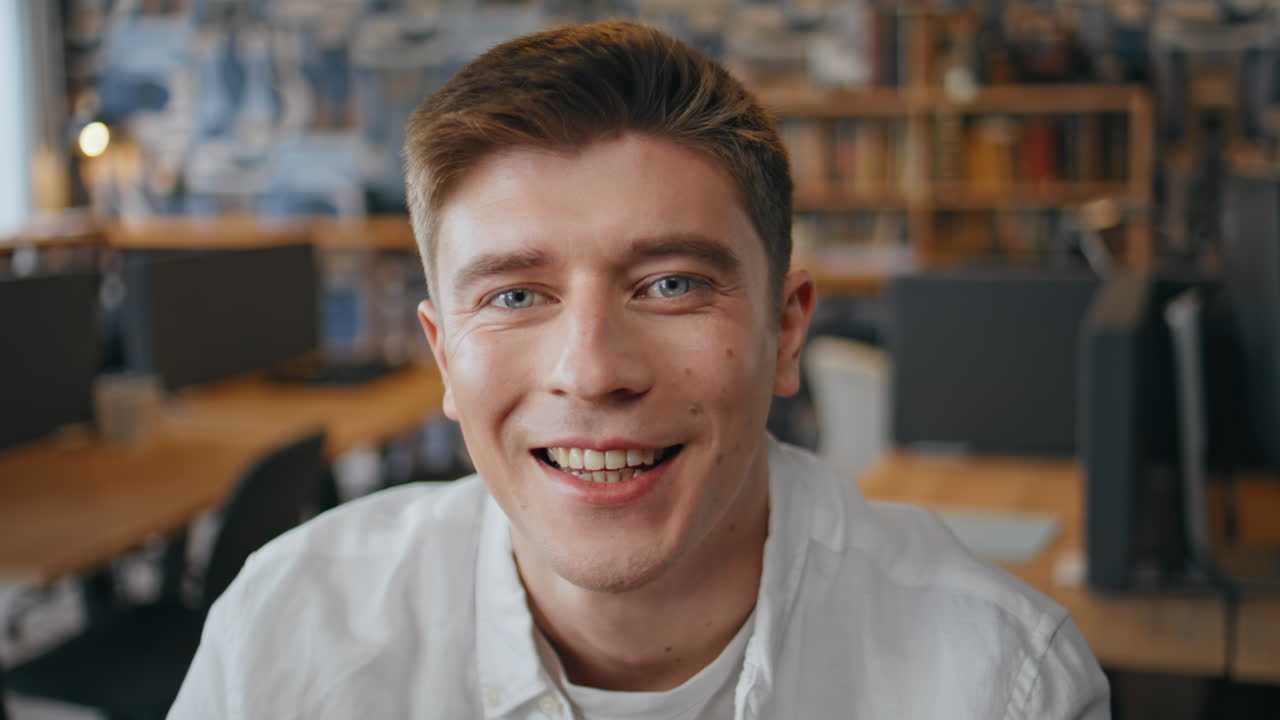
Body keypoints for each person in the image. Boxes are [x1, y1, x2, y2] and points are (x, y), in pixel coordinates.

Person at [170, 20, 1109, 719]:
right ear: (444, 358)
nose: (592, 371)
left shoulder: (1000, 684)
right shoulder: (284, 642)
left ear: (786, 334)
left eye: (670, 284)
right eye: (513, 296)